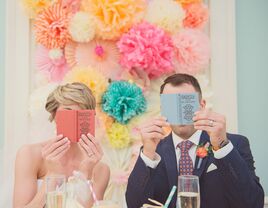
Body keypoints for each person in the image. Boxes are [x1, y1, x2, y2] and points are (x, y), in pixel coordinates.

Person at [126, 74, 264, 208]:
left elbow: (252, 203)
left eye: (186, 103)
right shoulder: (155, 151)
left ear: (202, 105)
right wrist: (148, 152)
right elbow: (134, 205)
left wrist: (222, 146)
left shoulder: (234, 144)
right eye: (172, 106)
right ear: (164, 110)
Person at [13, 82, 110, 208]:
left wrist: (85, 174)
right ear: (54, 115)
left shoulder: (101, 169)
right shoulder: (29, 154)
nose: (75, 119)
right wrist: (52, 175)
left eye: (82, 113)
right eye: (68, 111)